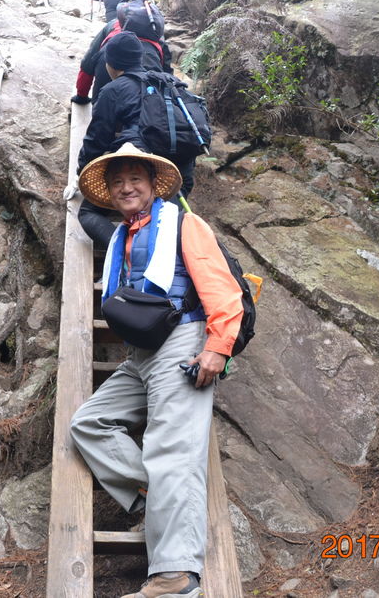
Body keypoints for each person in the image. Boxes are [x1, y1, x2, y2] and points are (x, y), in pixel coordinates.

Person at [69, 143, 244, 598]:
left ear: (151, 185)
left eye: (135, 179)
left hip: (184, 341)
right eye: (118, 181)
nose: (126, 187)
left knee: (173, 451)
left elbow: (222, 290)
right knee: (89, 423)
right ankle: (157, 490)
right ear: (110, 192)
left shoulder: (184, 225)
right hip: (141, 354)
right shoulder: (123, 237)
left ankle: (175, 575)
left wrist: (217, 348)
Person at [69, 32, 190, 250]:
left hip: (147, 164)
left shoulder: (114, 90)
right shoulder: (171, 83)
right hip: (181, 174)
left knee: (87, 213)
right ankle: (158, 244)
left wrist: (82, 176)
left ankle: (126, 249)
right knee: (166, 218)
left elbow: (95, 142)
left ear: (111, 64)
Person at [72, 1, 170, 105]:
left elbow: (88, 63)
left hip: (107, 67)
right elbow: (167, 75)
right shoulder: (157, 34)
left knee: (102, 107)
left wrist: (81, 95)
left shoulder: (113, 24)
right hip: (147, 80)